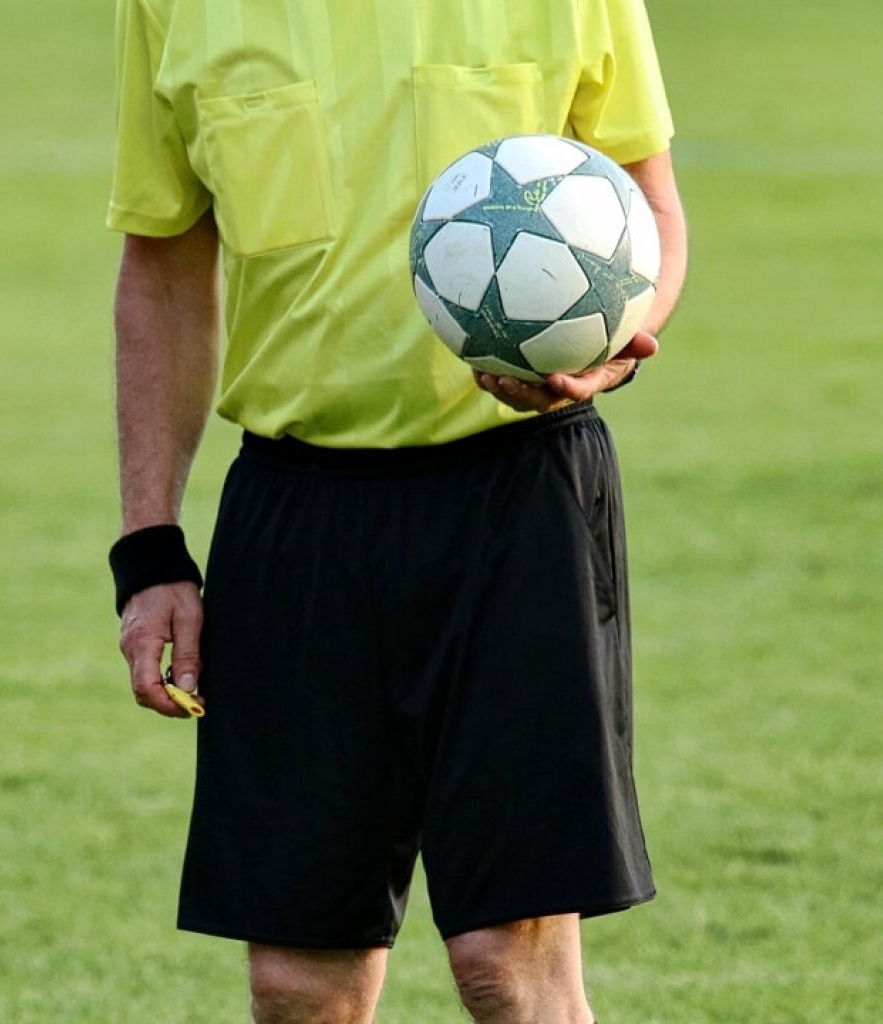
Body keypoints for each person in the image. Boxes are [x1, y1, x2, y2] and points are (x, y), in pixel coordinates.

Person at [106, 0, 687, 1020]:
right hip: (295, 514)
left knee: (505, 963)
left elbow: (648, 208)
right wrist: (149, 548)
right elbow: (162, 266)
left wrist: (610, 351)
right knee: (298, 982)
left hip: (518, 499)